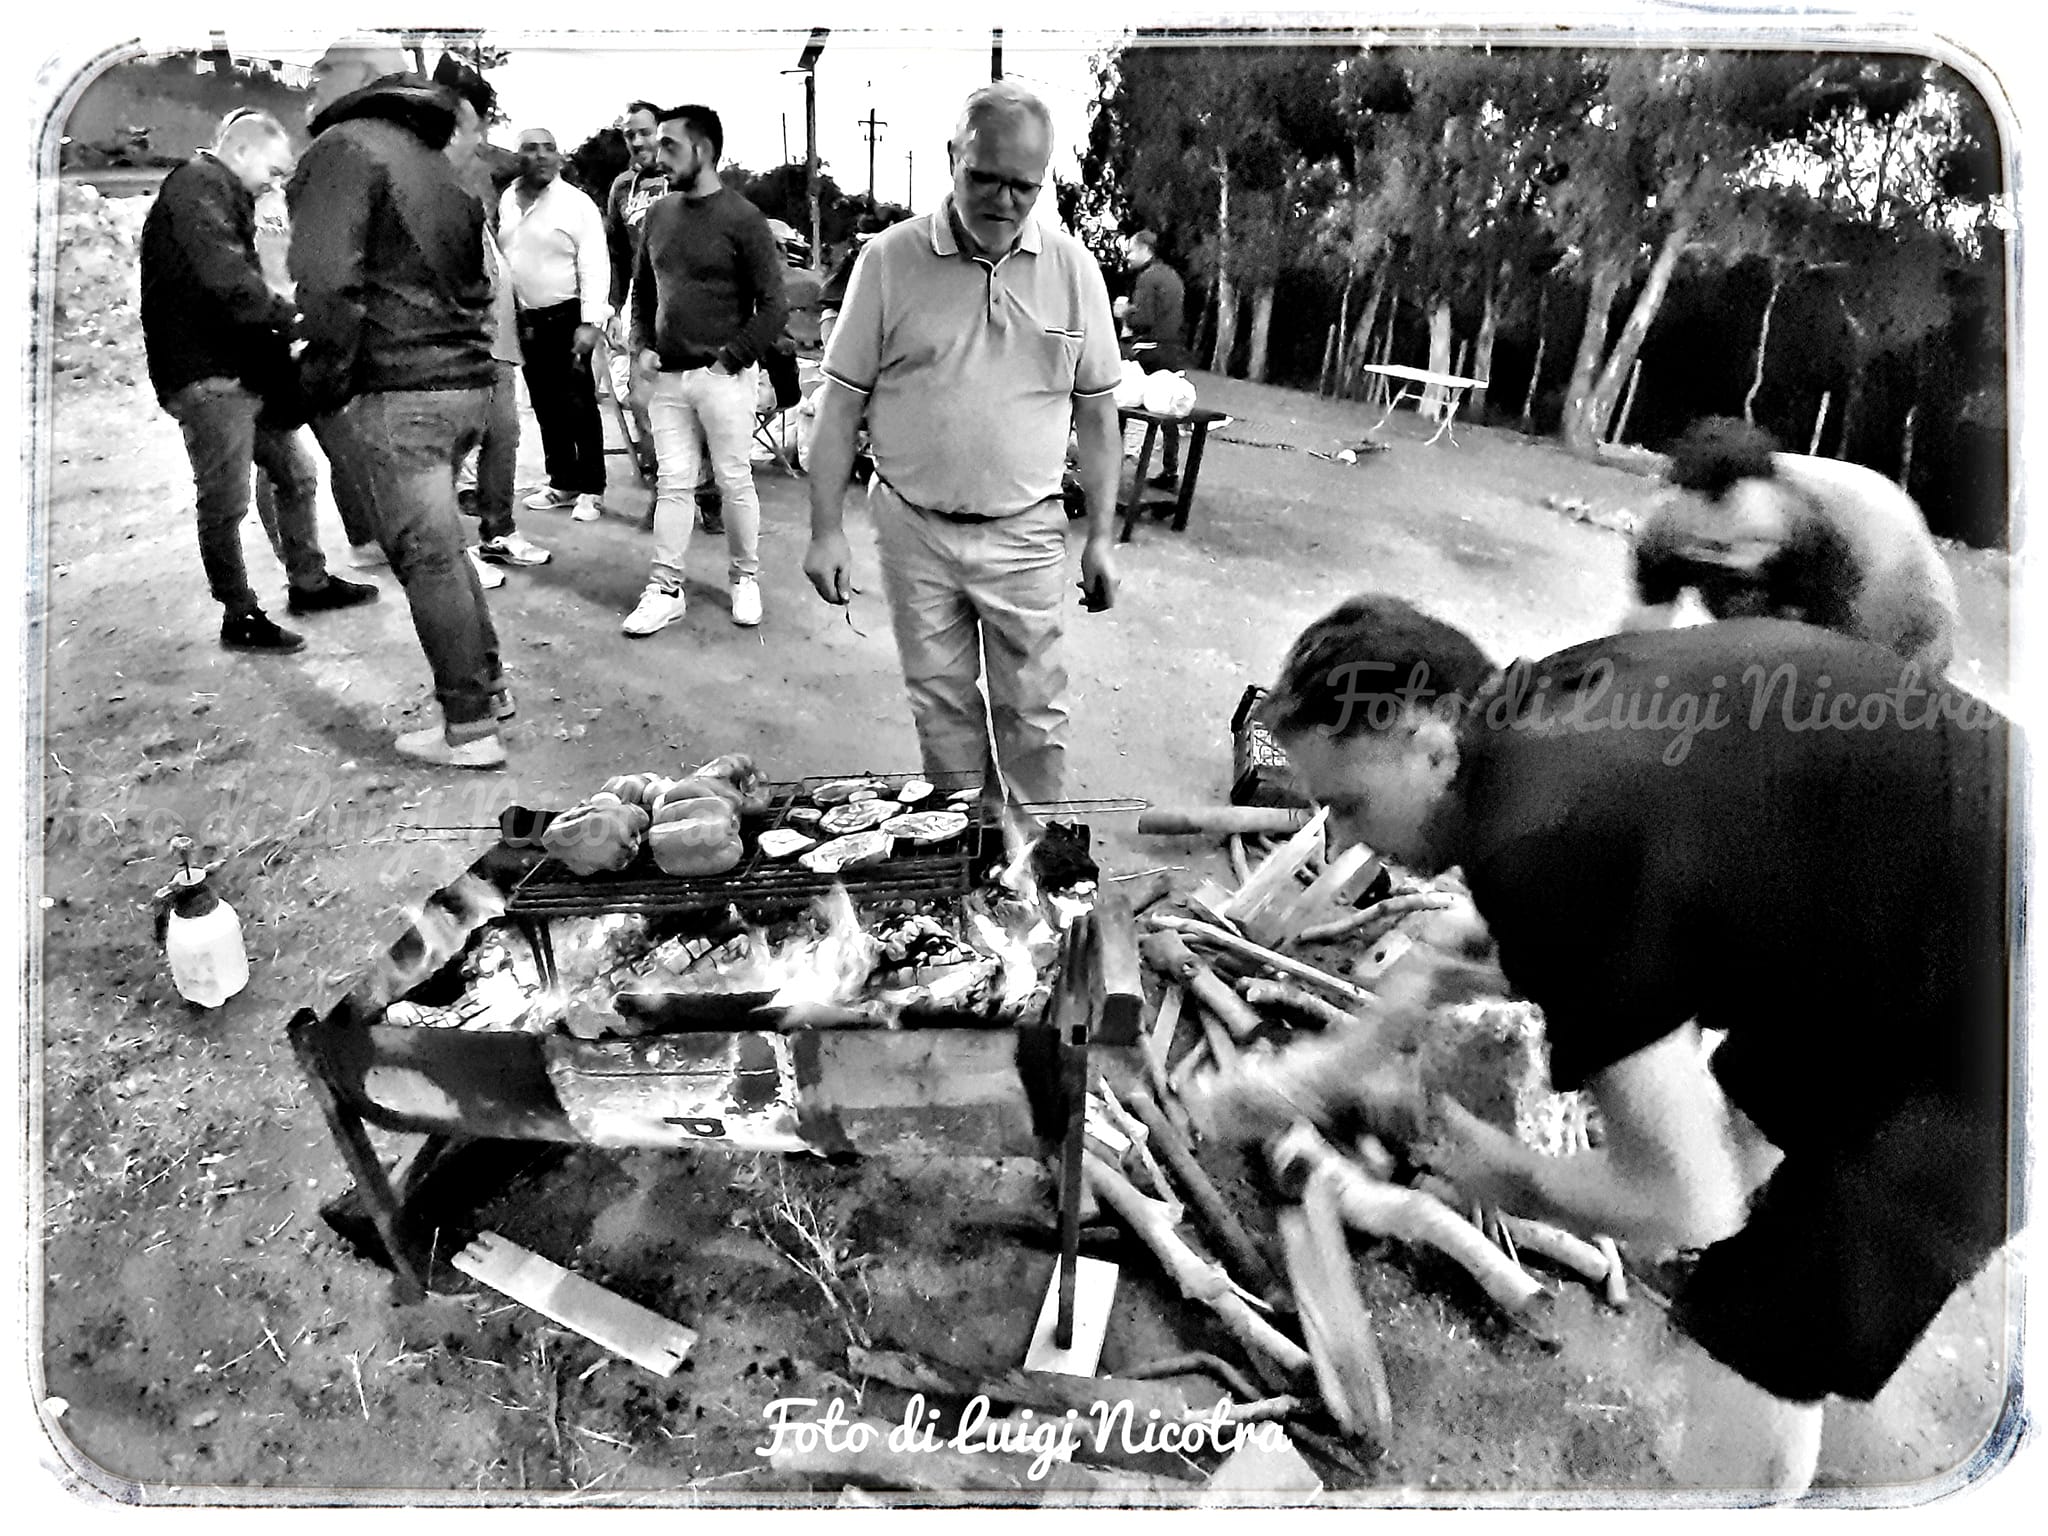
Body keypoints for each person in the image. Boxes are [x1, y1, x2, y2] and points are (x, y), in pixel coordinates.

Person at [1262, 595, 2013, 1496]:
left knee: (1759, 1337)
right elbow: (1650, 861)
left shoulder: (1543, 842)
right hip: (1922, 884)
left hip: (1994, 1000)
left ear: (1429, 741)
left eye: (1346, 804)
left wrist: (1509, 1174)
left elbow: (1683, 1203)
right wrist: (1367, 1040)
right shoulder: (1548, 699)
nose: (1338, 838)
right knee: (1748, 1125)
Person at [802, 83, 1122, 810]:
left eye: (1024, 186)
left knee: (1034, 713)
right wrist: (825, 531)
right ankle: (967, 855)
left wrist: (1101, 538)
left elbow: (1099, 417)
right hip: (913, 528)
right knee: (940, 706)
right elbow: (840, 403)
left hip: (1027, 532)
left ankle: (1035, 856)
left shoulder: (1074, 273)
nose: (1004, 201)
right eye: (985, 177)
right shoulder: (888, 261)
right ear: (953, 158)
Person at [288, 59, 511, 768]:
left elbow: (325, 285)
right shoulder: (440, 162)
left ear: (354, 75)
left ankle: (470, 729)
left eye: (321, 67)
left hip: (401, 390)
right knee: (445, 550)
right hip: (466, 384)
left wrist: (320, 383)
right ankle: (489, 688)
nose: (311, 81)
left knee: (427, 558)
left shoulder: (342, 149)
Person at [140, 108, 378, 653]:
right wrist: (293, 316)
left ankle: (309, 582)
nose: (276, 182)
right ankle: (239, 613)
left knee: (295, 472)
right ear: (241, 151)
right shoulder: (197, 185)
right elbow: (229, 280)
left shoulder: (221, 192)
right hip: (209, 376)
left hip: (240, 370)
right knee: (223, 501)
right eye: (272, 170)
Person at [1622, 416, 1959, 677]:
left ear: (1779, 492)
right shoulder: (1671, 530)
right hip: (1793, 591)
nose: (1739, 555)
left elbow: (1841, 681)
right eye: (1714, 547)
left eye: (1753, 539)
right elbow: (1635, 641)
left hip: (1904, 622)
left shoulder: (1867, 542)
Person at [625, 104, 789, 636]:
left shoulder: (743, 219)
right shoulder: (658, 215)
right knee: (673, 483)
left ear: (704, 150)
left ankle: (745, 577)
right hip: (669, 376)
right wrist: (642, 345)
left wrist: (731, 359)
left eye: (670, 145)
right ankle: (664, 588)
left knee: (734, 479)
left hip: (723, 377)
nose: (658, 153)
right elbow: (643, 291)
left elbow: (774, 305)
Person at [434, 58, 550, 584]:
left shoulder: (483, 159)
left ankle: (497, 532)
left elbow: (526, 164)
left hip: (497, 325)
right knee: (447, 443)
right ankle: (451, 556)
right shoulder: (420, 166)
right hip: (453, 325)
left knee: (504, 432)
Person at [604, 99, 720, 531]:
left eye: (645, 132)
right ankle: (667, 489)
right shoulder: (621, 189)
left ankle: (708, 494)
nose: (637, 142)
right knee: (643, 399)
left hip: (691, 301)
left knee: (698, 398)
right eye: (628, 135)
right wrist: (612, 308)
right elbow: (616, 253)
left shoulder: (685, 179)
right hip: (644, 299)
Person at [500, 126, 611, 520]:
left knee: (578, 403)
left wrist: (591, 321)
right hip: (525, 321)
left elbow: (595, 264)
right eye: (531, 149)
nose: (542, 156)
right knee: (544, 404)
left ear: (559, 158)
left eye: (549, 149)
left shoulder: (576, 204)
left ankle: (592, 489)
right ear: (519, 158)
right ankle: (562, 481)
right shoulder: (508, 201)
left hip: (568, 317)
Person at [1118, 228, 1189, 489]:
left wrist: (1124, 313)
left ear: (1146, 250)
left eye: (1131, 250)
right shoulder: (1172, 276)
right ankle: (1170, 471)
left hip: (1149, 349)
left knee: (1119, 395)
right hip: (1172, 351)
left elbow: (1144, 319)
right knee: (1168, 408)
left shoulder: (1147, 278)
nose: (1128, 256)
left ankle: (1112, 461)